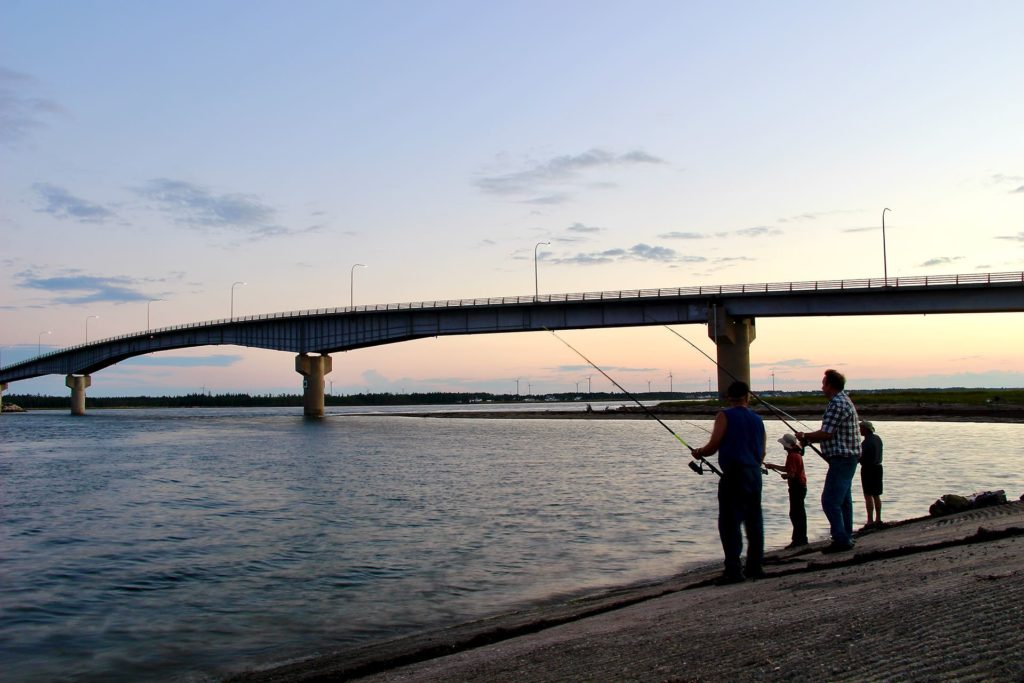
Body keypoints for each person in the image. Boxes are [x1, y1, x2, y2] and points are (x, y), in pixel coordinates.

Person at [691, 380, 767, 584]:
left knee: (730, 522)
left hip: (734, 474)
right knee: (754, 522)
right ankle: (755, 566)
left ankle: (734, 570)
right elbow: (762, 453)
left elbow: (714, 445)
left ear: (728, 397)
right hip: (754, 474)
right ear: (747, 397)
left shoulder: (724, 415)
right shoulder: (758, 419)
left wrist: (699, 452)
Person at [796, 369, 861, 553]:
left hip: (842, 459)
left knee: (830, 500)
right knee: (844, 501)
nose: (822, 387)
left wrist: (805, 436)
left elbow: (827, 433)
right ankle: (846, 536)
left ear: (830, 385)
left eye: (823, 384)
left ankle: (841, 539)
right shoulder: (844, 400)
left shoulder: (836, 403)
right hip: (847, 458)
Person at [765, 433, 808, 548]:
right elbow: (788, 469)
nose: (782, 446)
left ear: (787, 445)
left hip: (797, 487)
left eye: (783, 444)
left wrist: (785, 476)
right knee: (798, 513)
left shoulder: (792, 456)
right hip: (800, 487)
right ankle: (801, 538)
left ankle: (799, 539)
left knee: (795, 514)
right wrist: (772, 465)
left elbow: (791, 474)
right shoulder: (795, 454)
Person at [859, 420, 884, 528]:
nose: (859, 430)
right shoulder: (878, 439)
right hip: (878, 468)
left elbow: (859, 457)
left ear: (865, 429)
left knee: (868, 495)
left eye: (860, 428)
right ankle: (878, 519)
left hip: (868, 469)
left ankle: (870, 520)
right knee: (876, 495)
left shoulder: (865, 443)